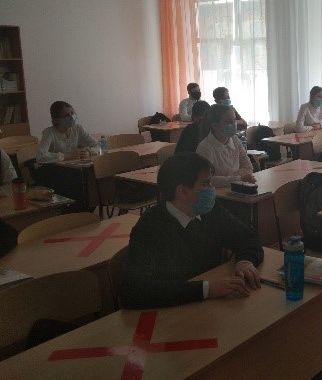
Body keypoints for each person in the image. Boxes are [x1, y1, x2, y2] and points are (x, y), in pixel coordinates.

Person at [120, 152, 264, 309]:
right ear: (183, 191)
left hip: (212, 306)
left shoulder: (210, 211)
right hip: (173, 312)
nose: (212, 189)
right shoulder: (150, 227)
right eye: (206, 183)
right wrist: (206, 289)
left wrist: (245, 261)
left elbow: (247, 235)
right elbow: (134, 290)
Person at [31, 101, 99, 211]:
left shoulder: (77, 129)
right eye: (67, 115)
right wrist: (66, 156)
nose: (72, 117)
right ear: (55, 120)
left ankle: (86, 208)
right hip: (53, 170)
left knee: (89, 177)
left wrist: (88, 151)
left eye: (72, 113)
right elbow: (40, 156)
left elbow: (98, 146)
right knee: (76, 180)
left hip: (72, 169)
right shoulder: (49, 132)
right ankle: (72, 211)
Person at [196, 104, 255, 187]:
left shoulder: (235, 140)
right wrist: (239, 178)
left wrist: (227, 179)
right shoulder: (205, 147)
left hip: (235, 188)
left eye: (234, 120)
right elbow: (208, 179)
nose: (234, 124)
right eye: (229, 122)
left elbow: (248, 167)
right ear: (215, 126)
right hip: (217, 193)